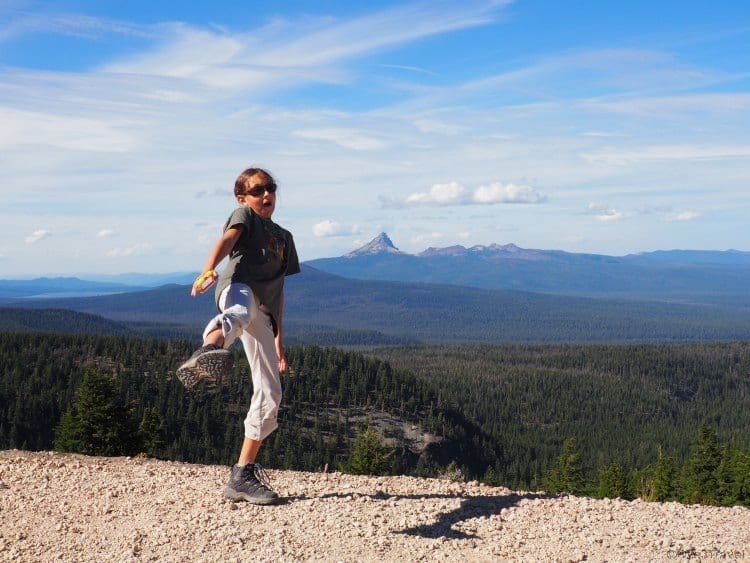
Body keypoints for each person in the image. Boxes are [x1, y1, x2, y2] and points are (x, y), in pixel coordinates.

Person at [176, 167, 300, 505]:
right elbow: (228, 240)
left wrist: (278, 339)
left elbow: (279, 290)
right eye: (258, 190)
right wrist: (208, 268)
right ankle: (208, 350)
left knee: (271, 392)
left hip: (265, 310)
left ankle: (242, 475)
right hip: (237, 288)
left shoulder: (285, 238)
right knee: (239, 313)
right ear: (242, 197)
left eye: (270, 188)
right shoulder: (245, 215)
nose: (266, 195)